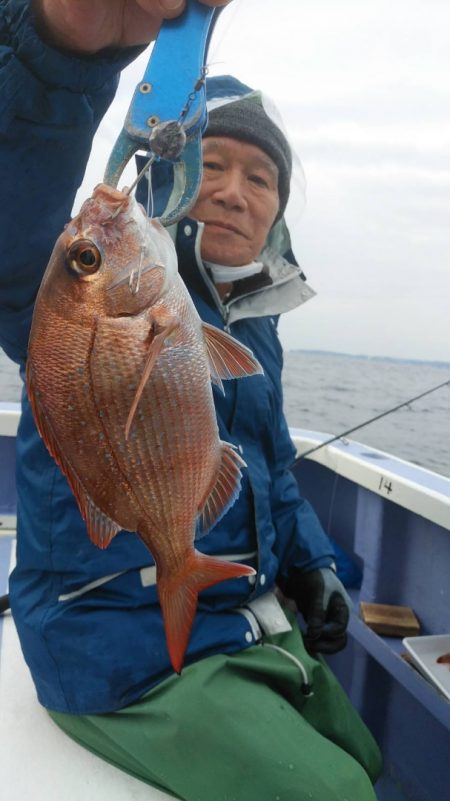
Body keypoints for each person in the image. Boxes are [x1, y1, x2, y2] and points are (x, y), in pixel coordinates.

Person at [0, 2, 382, 799]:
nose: (238, 193)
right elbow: (13, 232)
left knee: (366, 752)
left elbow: (268, 468)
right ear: (170, 173)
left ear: (280, 207)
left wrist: (311, 562)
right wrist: (54, 53)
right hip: (106, 648)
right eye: (213, 166)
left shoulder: (255, 326)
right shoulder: (72, 298)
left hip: (230, 621)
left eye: (262, 176)